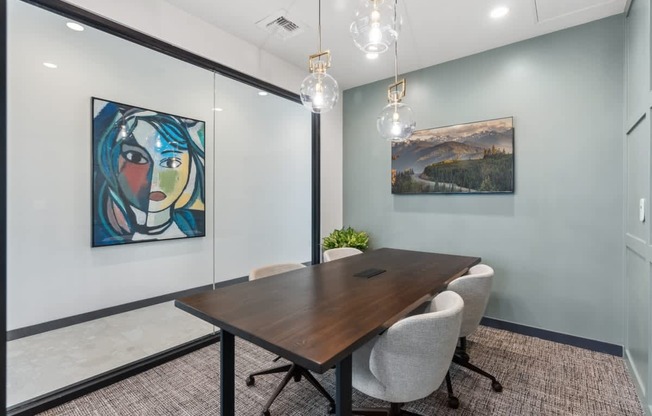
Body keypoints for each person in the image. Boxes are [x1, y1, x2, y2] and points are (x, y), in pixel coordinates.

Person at [92, 100, 205, 246]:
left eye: (171, 162)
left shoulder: (195, 223)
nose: (155, 178)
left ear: (192, 166)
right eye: (136, 158)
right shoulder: (102, 234)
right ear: (111, 161)